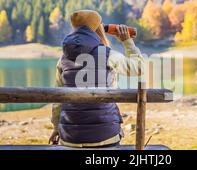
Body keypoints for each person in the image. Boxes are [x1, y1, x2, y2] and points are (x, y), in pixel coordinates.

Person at [49, 10, 144, 147]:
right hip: (105, 136)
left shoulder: (63, 59)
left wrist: (57, 128)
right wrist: (127, 42)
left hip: (70, 137)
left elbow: (58, 100)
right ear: (98, 28)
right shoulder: (107, 55)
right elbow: (139, 68)